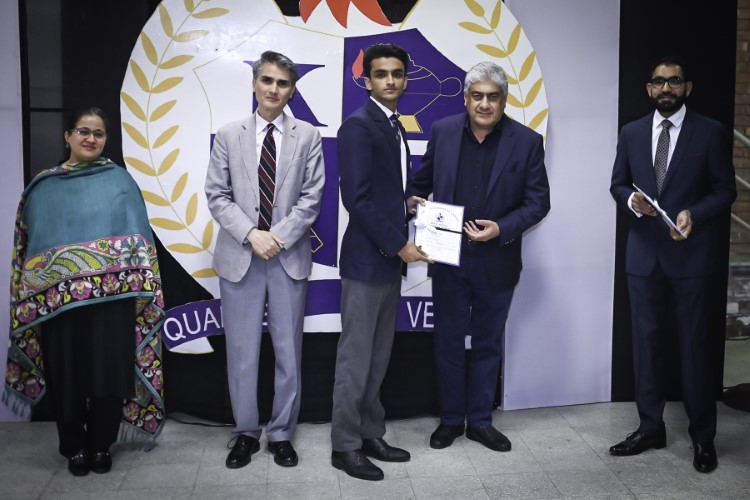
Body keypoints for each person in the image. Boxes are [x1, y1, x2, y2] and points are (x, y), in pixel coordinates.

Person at [4, 107, 166, 477]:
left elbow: (139, 243)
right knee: (67, 375)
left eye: (98, 133)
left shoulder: (120, 182)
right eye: (83, 131)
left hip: (112, 300)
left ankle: (101, 444)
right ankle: (74, 446)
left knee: (109, 373)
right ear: (67, 136)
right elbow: (29, 247)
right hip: (59, 303)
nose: (91, 139)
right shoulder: (43, 188)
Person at [406, 61, 550, 453]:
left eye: (493, 97)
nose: (484, 104)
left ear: (504, 100)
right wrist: (413, 201)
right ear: (465, 98)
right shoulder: (443, 131)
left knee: (488, 344)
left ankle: (481, 421)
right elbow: (419, 184)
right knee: (448, 343)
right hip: (447, 259)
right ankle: (452, 420)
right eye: (477, 96)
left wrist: (501, 228)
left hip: (497, 260)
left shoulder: (527, 141)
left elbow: (539, 203)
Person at [609, 57, 736, 473]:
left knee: (695, 348)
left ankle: (703, 438)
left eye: (675, 81)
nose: (667, 88)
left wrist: (693, 214)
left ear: (687, 87)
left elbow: (726, 191)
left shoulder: (710, 132)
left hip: (691, 258)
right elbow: (618, 183)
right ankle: (650, 428)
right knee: (646, 347)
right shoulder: (631, 133)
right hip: (643, 258)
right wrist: (632, 201)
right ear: (649, 89)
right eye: (659, 82)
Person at [205, 50, 325, 470]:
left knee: (288, 352)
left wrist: (277, 237)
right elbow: (216, 195)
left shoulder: (308, 136)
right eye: (267, 80)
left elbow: (312, 198)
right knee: (242, 352)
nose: (274, 89)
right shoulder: (228, 134)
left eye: (283, 83)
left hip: (287, 256)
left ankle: (281, 434)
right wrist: (251, 234)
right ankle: (244, 433)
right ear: (254, 83)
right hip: (240, 256)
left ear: (292, 90)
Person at [331, 43, 431, 481]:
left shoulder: (394, 124)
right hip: (367, 262)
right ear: (366, 80)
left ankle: (371, 433)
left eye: (397, 73)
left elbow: (382, 191)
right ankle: (345, 446)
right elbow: (356, 199)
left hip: (387, 261)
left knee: (377, 359)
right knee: (355, 361)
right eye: (381, 74)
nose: (390, 80)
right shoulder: (358, 126)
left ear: (405, 79)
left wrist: (406, 204)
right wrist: (399, 244)